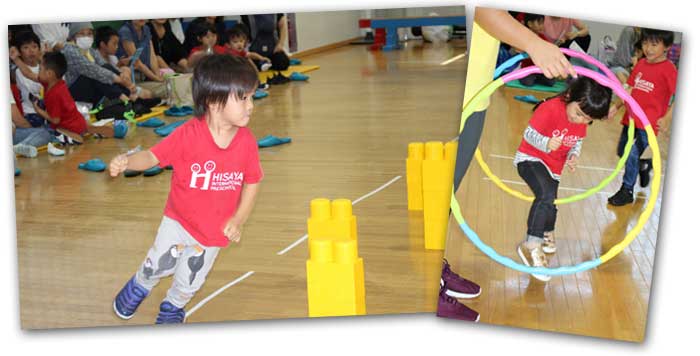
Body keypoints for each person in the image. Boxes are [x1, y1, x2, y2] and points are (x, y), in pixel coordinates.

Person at [438, 8, 576, 323]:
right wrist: (535, 44)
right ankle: (429, 291)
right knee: (439, 194)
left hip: (475, 95)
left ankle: (437, 269)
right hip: (461, 98)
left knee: (447, 194)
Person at [110, 55, 263, 324]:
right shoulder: (187, 135)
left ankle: (173, 307)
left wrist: (238, 219)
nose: (250, 106)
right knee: (158, 264)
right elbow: (153, 157)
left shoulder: (247, 142)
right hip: (179, 221)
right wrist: (127, 162)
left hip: (213, 232)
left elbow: (252, 181)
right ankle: (141, 283)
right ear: (214, 102)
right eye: (243, 98)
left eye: (251, 97)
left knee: (190, 280)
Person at [514, 77, 611, 281]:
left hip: (554, 167)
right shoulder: (550, 108)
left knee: (551, 204)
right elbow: (529, 134)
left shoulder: (582, 119)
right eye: (578, 114)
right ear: (569, 97)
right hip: (530, 158)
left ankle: (547, 232)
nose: (581, 121)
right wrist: (547, 143)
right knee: (545, 195)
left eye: (588, 119)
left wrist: (573, 156)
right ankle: (531, 244)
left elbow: (576, 142)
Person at [607, 29, 677, 206]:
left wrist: (667, 118)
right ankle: (644, 165)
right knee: (622, 152)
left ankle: (627, 190)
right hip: (630, 120)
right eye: (645, 43)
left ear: (667, 47)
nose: (648, 49)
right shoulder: (641, 64)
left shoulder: (669, 69)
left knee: (631, 154)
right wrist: (615, 106)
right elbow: (629, 89)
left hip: (649, 125)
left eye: (654, 44)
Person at [29, 52, 127, 144]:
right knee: (84, 127)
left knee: (45, 133)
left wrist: (39, 111)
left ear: (49, 74)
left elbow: (55, 120)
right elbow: (29, 74)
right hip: (78, 121)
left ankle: (69, 137)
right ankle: (98, 130)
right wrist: (16, 59)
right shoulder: (56, 83)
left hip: (67, 127)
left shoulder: (53, 93)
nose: (38, 72)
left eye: (40, 69)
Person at [10, 31, 45, 128]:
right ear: (19, 52)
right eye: (26, 47)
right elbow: (33, 84)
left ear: (39, 49)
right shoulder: (18, 71)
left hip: (49, 112)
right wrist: (16, 59)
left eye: (34, 46)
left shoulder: (46, 67)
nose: (31, 51)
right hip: (31, 113)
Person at [517, 13, 556, 88]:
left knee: (551, 81)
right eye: (539, 23)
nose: (542, 26)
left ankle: (537, 78)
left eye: (542, 23)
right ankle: (531, 78)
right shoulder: (524, 37)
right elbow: (522, 54)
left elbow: (549, 48)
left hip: (540, 69)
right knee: (527, 82)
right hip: (527, 69)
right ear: (530, 24)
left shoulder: (542, 37)